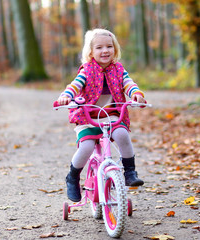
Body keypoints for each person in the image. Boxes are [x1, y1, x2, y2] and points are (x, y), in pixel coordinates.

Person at [57, 28, 147, 202]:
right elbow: (75, 85)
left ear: (115, 49)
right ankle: (73, 177)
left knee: (122, 135)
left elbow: (128, 84)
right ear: (90, 52)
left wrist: (136, 94)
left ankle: (129, 171)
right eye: (99, 47)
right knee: (86, 146)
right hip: (87, 116)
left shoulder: (119, 69)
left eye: (109, 46)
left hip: (111, 114)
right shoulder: (87, 70)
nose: (105, 50)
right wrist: (66, 96)